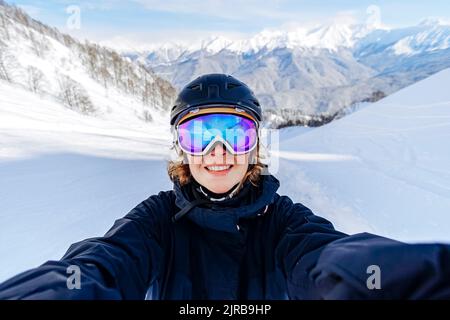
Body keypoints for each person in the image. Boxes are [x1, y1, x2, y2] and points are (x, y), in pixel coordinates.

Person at [0, 74, 449, 300]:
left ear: (255, 147)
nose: (218, 151)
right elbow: (102, 265)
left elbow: (331, 257)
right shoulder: (155, 222)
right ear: (182, 149)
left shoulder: (285, 222)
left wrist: (411, 279)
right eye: (201, 135)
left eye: (235, 134)